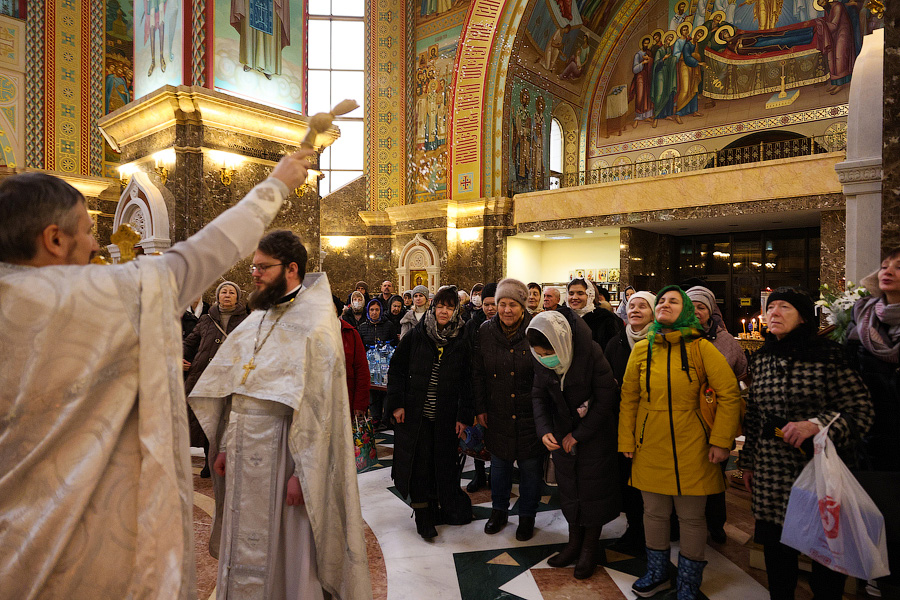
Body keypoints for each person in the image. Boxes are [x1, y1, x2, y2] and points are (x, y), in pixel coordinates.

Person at [0, 152, 312, 599]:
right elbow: (208, 250)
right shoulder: (105, 295)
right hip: (87, 561)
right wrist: (278, 182)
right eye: (88, 230)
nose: (95, 246)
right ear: (53, 238)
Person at [189, 230, 371, 600]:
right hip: (243, 458)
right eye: (253, 266)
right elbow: (236, 390)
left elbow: (319, 412)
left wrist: (303, 476)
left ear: (291, 268)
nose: (253, 274)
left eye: (262, 267)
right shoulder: (259, 317)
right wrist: (224, 446)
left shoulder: (317, 325)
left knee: (286, 554)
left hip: (287, 461)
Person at [741, 287, 873, 600]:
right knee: (778, 557)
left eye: (783, 307)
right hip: (773, 476)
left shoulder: (828, 357)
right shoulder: (761, 361)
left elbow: (860, 409)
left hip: (820, 473)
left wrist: (815, 425)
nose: (773, 313)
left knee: (826, 560)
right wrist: (748, 462)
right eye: (770, 308)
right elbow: (756, 419)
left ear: (803, 318)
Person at [618, 285, 741, 600]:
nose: (664, 304)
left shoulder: (702, 349)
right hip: (651, 445)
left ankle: (688, 581)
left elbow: (729, 394)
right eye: (661, 300)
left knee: (690, 517)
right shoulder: (643, 348)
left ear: (685, 310)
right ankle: (657, 572)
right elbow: (629, 398)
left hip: (695, 448)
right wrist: (627, 440)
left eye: (673, 301)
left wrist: (721, 441)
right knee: (654, 513)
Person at [528, 308, 621, 579]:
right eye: (540, 354)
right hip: (562, 435)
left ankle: (589, 548)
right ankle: (573, 544)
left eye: (548, 353)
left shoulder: (590, 352)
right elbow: (538, 396)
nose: (545, 359)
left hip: (594, 437)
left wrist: (579, 434)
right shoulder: (541, 359)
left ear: (560, 343)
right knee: (569, 490)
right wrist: (544, 429)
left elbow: (606, 398)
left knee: (592, 492)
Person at [386, 286, 473, 539]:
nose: (444, 311)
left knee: (442, 464)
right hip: (417, 414)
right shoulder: (417, 335)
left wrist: (463, 415)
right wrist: (397, 404)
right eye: (440, 306)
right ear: (433, 307)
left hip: (445, 416)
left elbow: (467, 380)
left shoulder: (461, 338)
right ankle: (423, 516)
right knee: (419, 465)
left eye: (449, 306)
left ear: (455, 309)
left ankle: (438, 507)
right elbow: (397, 370)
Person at [473, 279, 544, 541]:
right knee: (500, 468)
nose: (506, 310)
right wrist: (480, 407)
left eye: (512, 304)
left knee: (530, 469)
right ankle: (498, 511)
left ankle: (527, 516)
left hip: (530, 412)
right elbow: (478, 373)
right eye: (502, 304)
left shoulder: (537, 328)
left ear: (522, 306)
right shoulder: (485, 330)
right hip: (497, 409)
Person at [685, 285, 747, 545]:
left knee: (714, 476)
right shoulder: (676, 337)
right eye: (691, 307)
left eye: (701, 307)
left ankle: (715, 523)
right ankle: (687, 524)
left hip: (717, 420)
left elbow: (741, 375)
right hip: (686, 421)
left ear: (711, 312)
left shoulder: (726, 340)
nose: (696, 312)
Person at [604, 291, 657, 553]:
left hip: (653, 422)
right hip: (622, 420)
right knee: (628, 478)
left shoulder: (660, 341)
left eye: (643, 306)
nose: (635, 310)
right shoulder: (616, 343)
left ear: (654, 312)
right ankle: (635, 528)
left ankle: (657, 529)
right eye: (631, 306)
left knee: (652, 480)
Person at [183, 281, 249, 478]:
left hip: (233, 377)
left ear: (238, 297)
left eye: (231, 292)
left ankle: (231, 459)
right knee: (207, 419)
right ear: (217, 296)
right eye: (223, 292)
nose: (227, 295)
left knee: (230, 420)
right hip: (205, 375)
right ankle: (209, 461)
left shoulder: (247, 320)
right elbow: (189, 343)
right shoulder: (205, 320)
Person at [462, 282, 498, 492]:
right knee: (477, 431)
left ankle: (495, 473)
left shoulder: (505, 324)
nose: (490, 308)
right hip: (477, 385)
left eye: (494, 304)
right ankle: (478, 473)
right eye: (486, 304)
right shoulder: (472, 324)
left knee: (495, 434)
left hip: (497, 387)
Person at [567, 277, 624, 350]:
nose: (574, 297)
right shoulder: (564, 317)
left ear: (590, 296)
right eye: (571, 293)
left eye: (580, 294)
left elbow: (610, 350)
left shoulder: (604, 318)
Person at [335, 296, 370, 417]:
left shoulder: (350, 333)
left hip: (346, 397)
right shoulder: (314, 334)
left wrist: (360, 403)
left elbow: (362, 370)